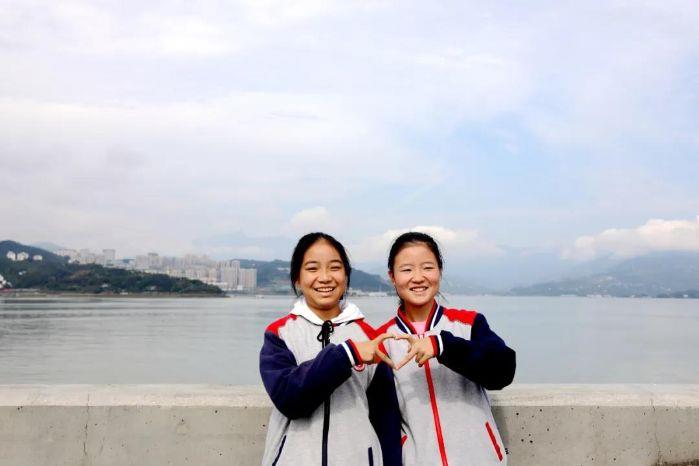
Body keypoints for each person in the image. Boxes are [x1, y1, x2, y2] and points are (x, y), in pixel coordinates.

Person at [259, 232, 402, 466]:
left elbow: (386, 420)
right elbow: (289, 398)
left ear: (346, 276)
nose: (325, 278)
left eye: (335, 268)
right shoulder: (279, 334)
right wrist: (347, 355)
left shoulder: (370, 338)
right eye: (312, 269)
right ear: (297, 279)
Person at [377, 232, 516, 466]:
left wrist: (442, 345)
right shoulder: (383, 340)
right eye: (407, 269)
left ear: (439, 271)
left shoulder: (469, 324)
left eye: (427, 268)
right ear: (392, 277)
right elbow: (383, 418)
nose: (418, 278)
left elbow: (503, 371)